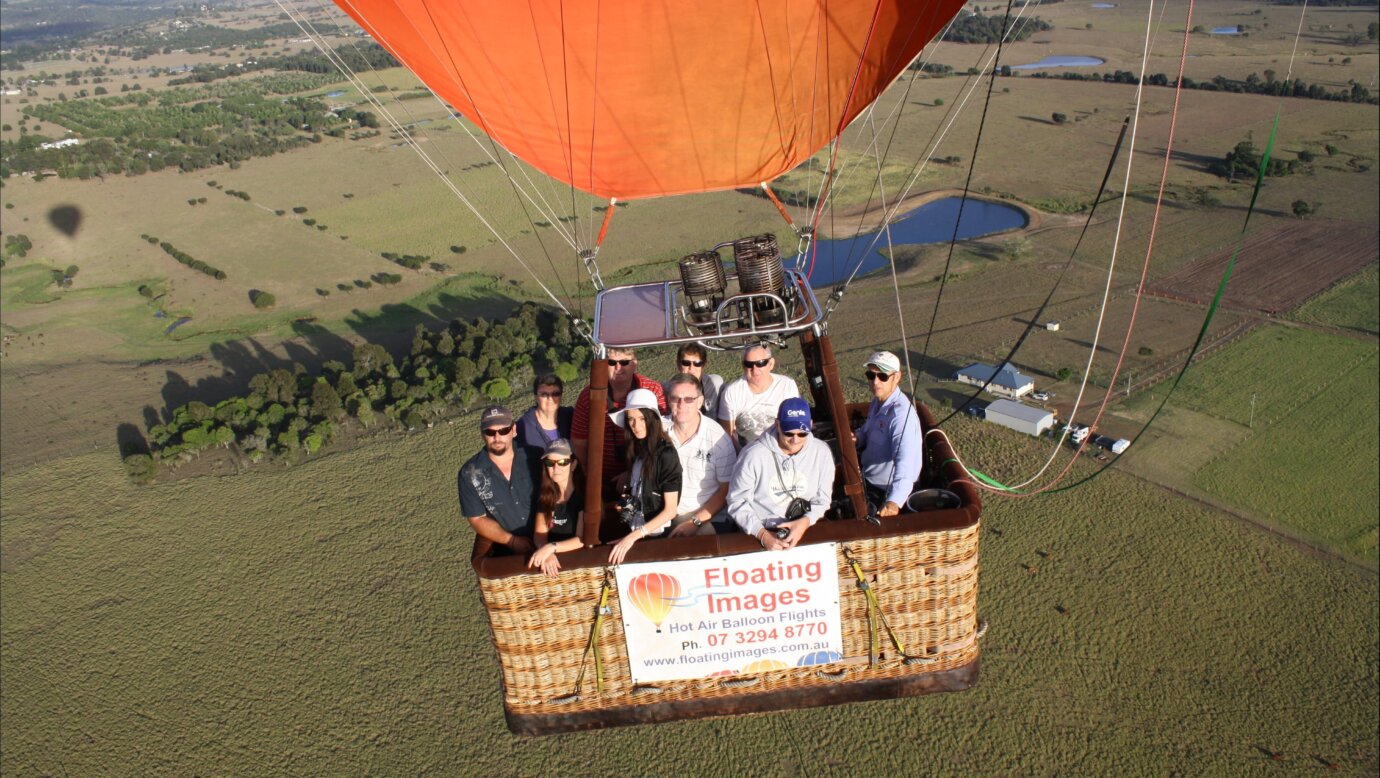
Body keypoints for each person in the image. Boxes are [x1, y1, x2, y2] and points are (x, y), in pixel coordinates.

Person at [727, 398, 835, 551]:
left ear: (811, 425)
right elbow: (737, 501)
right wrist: (762, 535)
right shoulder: (753, 455)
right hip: (761, 534)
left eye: (802, 433)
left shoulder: (821, 452)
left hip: (806, 530)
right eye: (788, 433)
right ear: (777, 425)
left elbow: (823, 499)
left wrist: (805, 522)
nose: (795, 439)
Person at [571, 347, 667, 483]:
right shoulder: (589, 395)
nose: (618, 367)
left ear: (634, 364)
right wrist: (591, 476)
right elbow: (579, 441)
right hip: (600, 478)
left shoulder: (652, 390)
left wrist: (632, 473)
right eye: (611, 362)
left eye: (624, 362)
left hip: (643, 475)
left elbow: (660, 436)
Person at [606, 388, 681, 564]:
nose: (636, 426)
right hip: (637, 534)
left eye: (641, 419)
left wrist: (632, 537)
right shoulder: (638, 452)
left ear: (652, 420)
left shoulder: (666, 454)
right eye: (631, 419)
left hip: (656, 538)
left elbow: (670, 511)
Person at [457, 405, 540, 555]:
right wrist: (512, 541)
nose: (497, 437)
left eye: (503, 430)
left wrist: (544, 540)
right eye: (490, 432)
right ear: (482, 434)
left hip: (549, 542)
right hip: (507, 553)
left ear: (513, 430)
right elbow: (477, 519)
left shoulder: (536, 457)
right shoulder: (469, 474)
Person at [662, 373, 737, 536]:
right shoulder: (659, 431)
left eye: (689, 399)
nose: (682, 404)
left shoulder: (718, 439)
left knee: (692, 547)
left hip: (708, 515)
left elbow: (726, 490)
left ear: (700, 402)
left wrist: (694, 522)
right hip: (666, 512)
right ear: (669, 401)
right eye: (676, 398)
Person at [854, 351, 923, 517]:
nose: (875, 381)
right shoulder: (877, 402)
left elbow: (906, 464)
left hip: (883, 491)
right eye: (871, 375)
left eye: (883, 376)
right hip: (867, 480)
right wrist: (858, 437)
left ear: (897, 377)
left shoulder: (900, 417)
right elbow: (867, 429)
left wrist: (893, 502)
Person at [717, 343, 799, 447]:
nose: (755, 370)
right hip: (747, 453)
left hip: (781, 449)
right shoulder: (732, 392)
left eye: (761, 363)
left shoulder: (787, 386)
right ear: (743, 366)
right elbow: (727, 435)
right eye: (749, 364)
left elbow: (795, 426)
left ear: (771, 364)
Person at [527, 438, 585, 576]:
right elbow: (539, 534)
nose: (556, 468)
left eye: (563, 462)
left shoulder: (583, 496)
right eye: (550, 463)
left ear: (573, 465)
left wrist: (552, 548)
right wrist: (545, 551)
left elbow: (581, 539)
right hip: (551, 565)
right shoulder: (545, 497)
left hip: (579, 565)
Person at [662, 343, 724, 420]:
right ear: (678, 364)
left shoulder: (714, 384)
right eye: (686, 363)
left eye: (697, 363)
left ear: (704, 365)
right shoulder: (666, 389)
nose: (691, 368)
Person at [515, 373, 573, 453]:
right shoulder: (522, 427)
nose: (550, 398)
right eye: (544, 394)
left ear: (561, 396)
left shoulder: (572, 417)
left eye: (555, 394)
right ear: (536, 397)